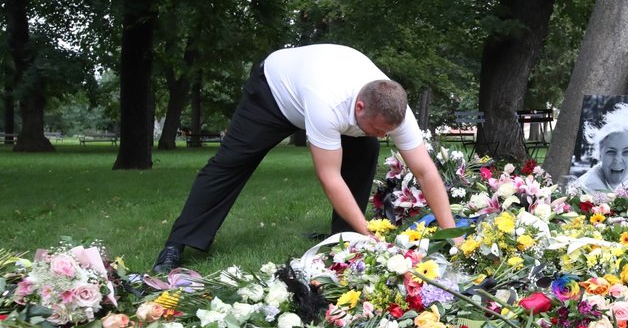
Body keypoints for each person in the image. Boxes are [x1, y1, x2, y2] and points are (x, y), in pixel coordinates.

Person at [152, 44, 457, 273]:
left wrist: (452, 234)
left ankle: (345, 238)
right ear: (360, 107)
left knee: (366, 152)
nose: (381, 135)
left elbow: (425, 172)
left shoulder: (395, 112)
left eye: (386, 132)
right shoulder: (328, 103)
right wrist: (370, 233)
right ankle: (177, 243)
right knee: (232, 162)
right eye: (377, 129)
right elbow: (329, 176)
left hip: (326, 93)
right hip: (274, 92)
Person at [570, 102, 628, 194]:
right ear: (600, 153)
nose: (617, 160)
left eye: (627, 152)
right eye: (611, 151)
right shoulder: (580, 190)